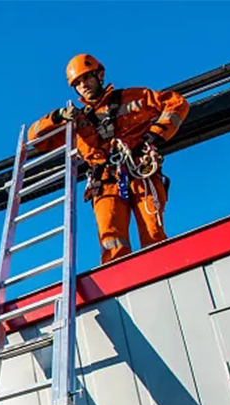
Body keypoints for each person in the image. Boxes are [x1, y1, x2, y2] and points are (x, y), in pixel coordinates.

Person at [29, 54, 190, 264]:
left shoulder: (133, 97)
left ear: (99, 75)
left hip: (141, 171)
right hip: (104, 182)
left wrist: (156, 135)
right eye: (77, 83)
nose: (83, 85)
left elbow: (176, 103)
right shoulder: (76, 121)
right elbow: (35, 138)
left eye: (86, 78)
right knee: (111, 240)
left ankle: (160, 274)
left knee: (153, 232)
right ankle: (121, 285)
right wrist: (58, 116)